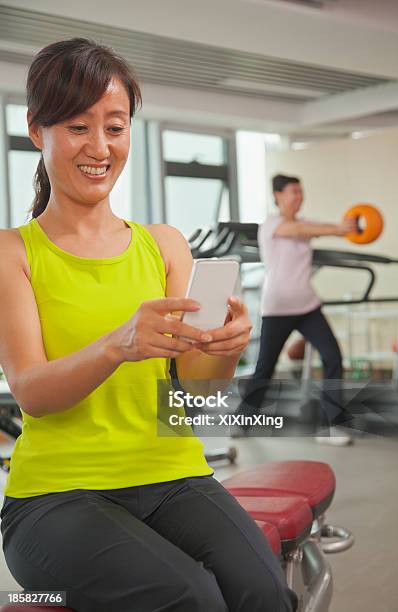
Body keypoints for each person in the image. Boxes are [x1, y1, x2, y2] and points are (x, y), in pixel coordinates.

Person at [0, 39, 298, 612]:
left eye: (115, 127)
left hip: (172, 474)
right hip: (56, 497)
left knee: (263, 591)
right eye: (78, 127)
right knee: (192, 599)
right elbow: (32, 393)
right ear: (38, 131)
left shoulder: (163, 245)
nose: (99, 147)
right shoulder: (13, 253)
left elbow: (198, 393)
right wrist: (118, 344)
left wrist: (226, 347)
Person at [233, 174, 357, 443]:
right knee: (265, 368)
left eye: (301, 191)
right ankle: (242, 422)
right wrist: (338, 228)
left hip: (307, 305)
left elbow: (315, 228)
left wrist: (348, 228)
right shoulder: (271, 225)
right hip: (277, 308)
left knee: (333, 357)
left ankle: (333, 426)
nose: (299, 196)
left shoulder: (305, 223)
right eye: (293, 192)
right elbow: (301, 232)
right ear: (278, 195)